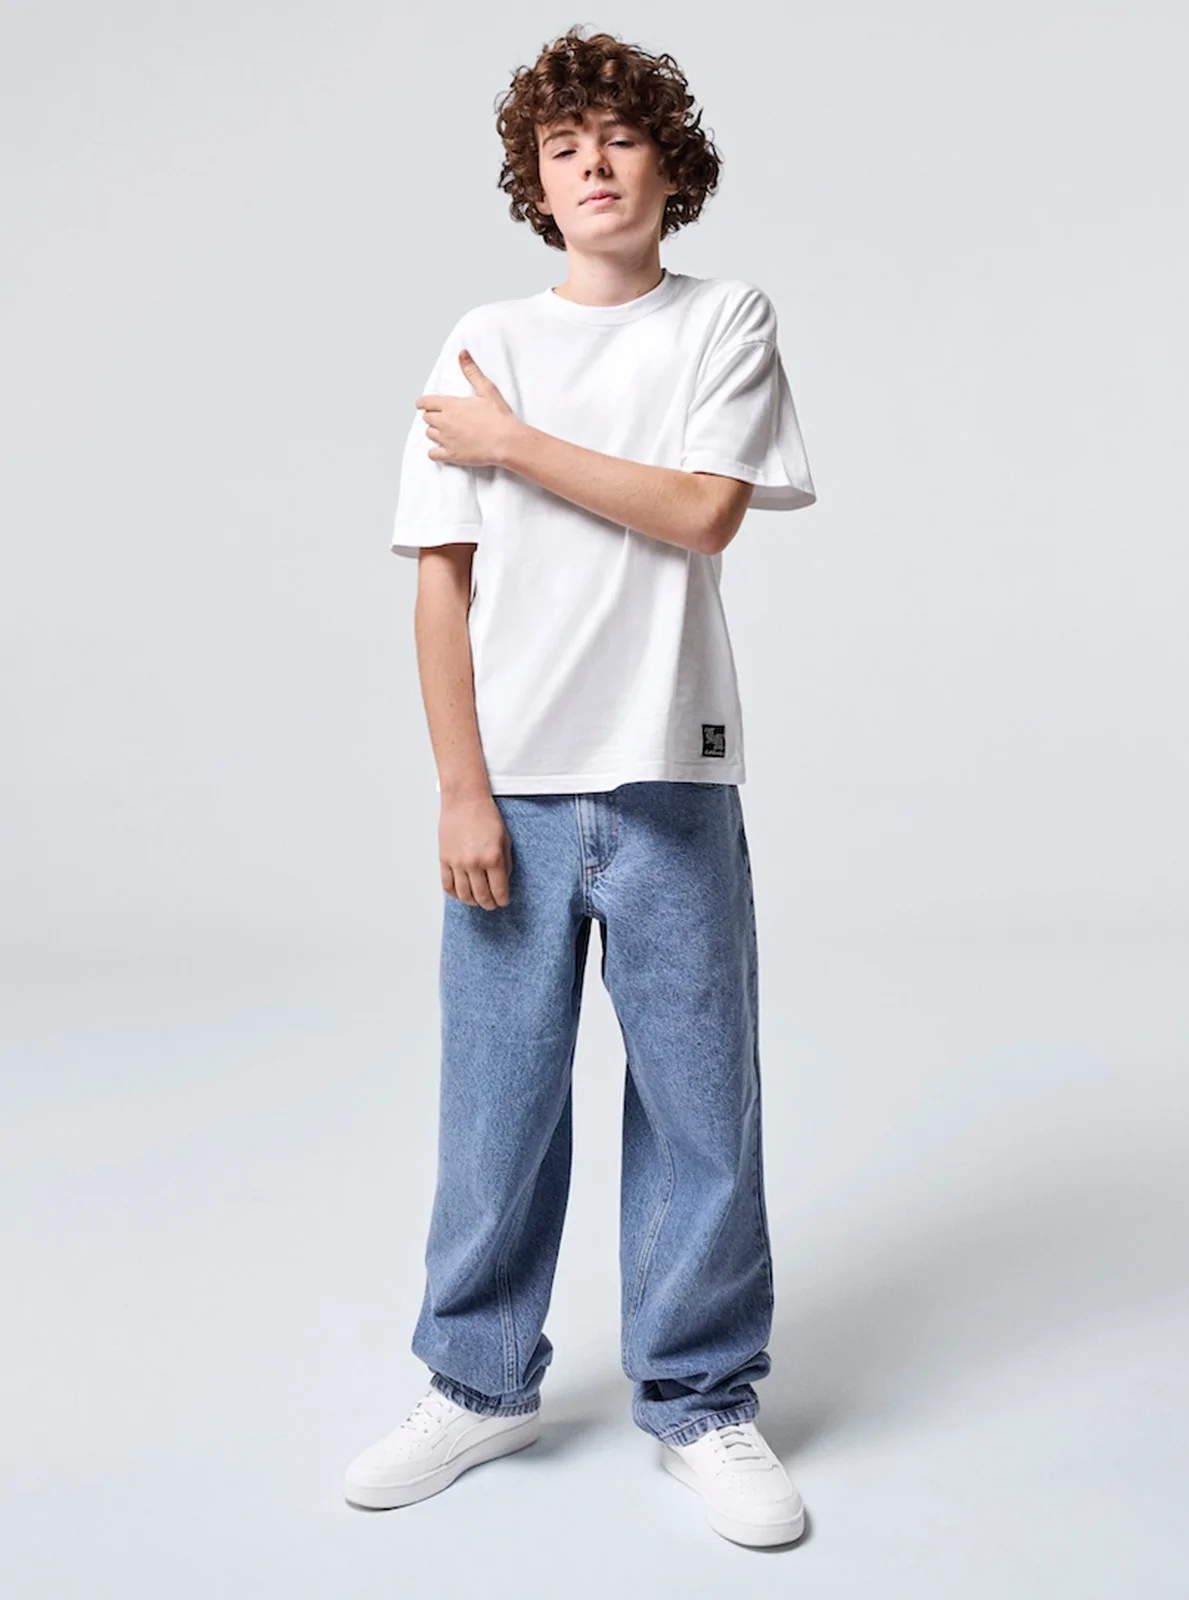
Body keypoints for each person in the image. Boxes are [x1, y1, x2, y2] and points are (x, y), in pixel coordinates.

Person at [344, 25, 817, 1549]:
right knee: (496, 1107)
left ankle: (701, 1399)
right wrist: (458, 790)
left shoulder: (722, 319)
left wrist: (515, 443)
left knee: (700, 1111)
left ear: (671, 167)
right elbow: (442, 586)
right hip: (517, 792)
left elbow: (702, 510)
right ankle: (478, 1386)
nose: (594, 164)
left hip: (671, 778)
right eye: (564, 147)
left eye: (620, 137)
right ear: (535, 185)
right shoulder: (482, 339)